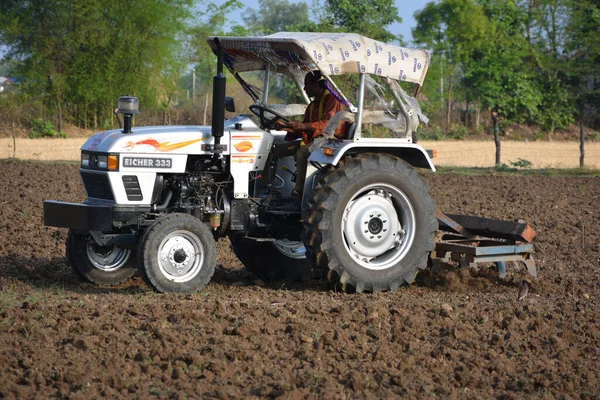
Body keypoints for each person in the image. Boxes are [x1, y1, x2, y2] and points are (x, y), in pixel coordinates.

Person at [272, 70, 348, 199]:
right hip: (314, 141)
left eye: (307, 84)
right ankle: (269, 189)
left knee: (302, 153)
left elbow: (326, 125)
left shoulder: (332, 100)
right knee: (275, 151)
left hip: (330, 140)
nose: (304, 88)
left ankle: (300, 196)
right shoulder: (312, 106)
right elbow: (304, 129)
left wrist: (302, 126)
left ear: (318, 84)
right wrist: (285, 127)